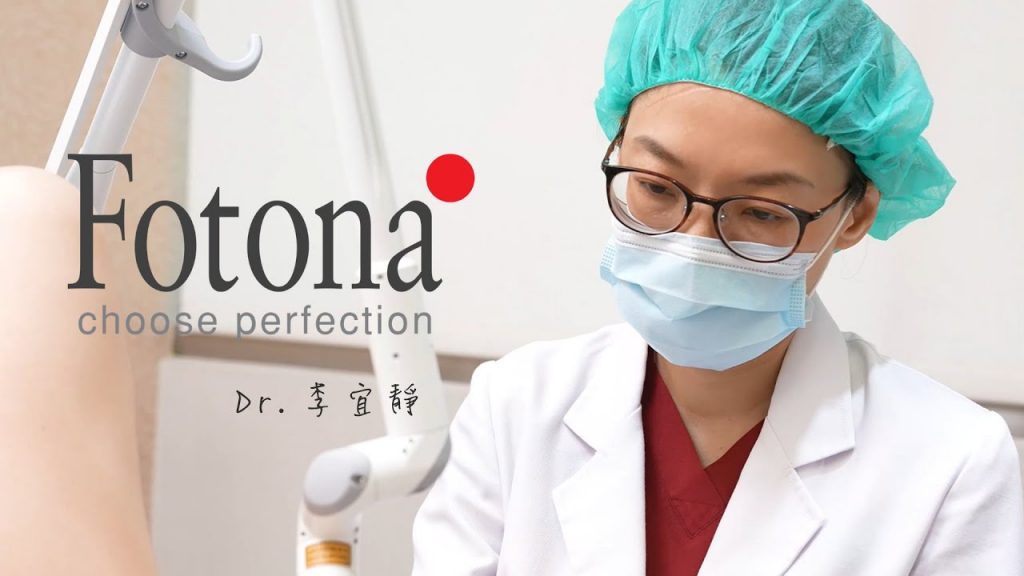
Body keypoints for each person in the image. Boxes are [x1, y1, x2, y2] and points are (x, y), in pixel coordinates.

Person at [409, 1, 1024, 574]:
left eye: (761, 212)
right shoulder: (515, 404)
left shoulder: (950, 461)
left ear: (855, 216)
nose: (693, 246)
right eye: (655, 187)